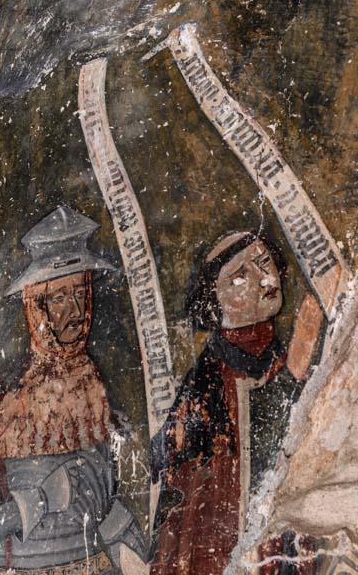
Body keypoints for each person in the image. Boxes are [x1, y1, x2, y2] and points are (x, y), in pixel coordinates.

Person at [0, 206, 148, 575]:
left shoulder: (93, 396)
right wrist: (36, 501)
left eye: (80, 293)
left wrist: (141, 555)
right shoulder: (4, 415)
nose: (76, 310)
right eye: (59, 298)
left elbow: (100, 508)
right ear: (37, 308)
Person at [150, 231, 323, 575]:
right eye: (241, 276)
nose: (265, 279)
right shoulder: (206, 389)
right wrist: (292, 377)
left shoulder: (280, 361)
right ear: (214, 303)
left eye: (265, 263)